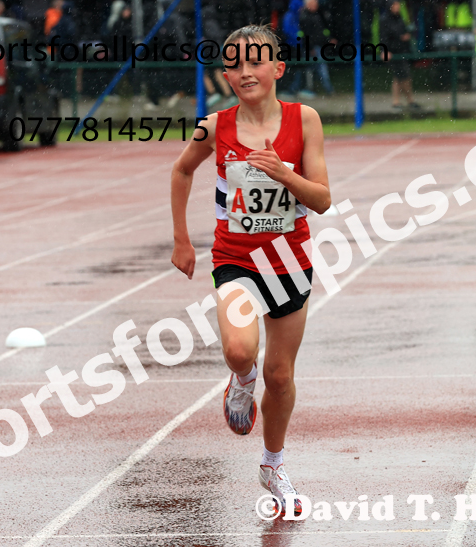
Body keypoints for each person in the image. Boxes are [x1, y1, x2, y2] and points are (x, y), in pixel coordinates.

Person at [169, 24, 331, 517]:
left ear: (278, 68)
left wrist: (285, 173)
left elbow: (322, 200)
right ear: (225, 75)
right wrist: (181, 237)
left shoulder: (304, 121)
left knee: (280, 376)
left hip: (289, 261)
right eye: (234, 64)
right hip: (234, 258)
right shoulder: (214, 126)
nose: (245, 71)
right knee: (241, 350)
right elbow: (181, 170)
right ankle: (240, 380)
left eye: (256, 61)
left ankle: (272, 465)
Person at [379, 0, 419, 111]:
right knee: (402, 77)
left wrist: (405, 36)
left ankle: (404, 101)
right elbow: (383, 37)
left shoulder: (400, 18)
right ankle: (403, 101)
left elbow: (403, 32)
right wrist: (384, 50)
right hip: (393, 53)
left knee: (402, 77)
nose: (398, 7)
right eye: (395, 5)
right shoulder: (385, 20)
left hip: (402, 51)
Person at [293, 0, 335, 98]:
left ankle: (301, 89)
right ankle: (328, 90)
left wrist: (328, 39)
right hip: (312, 47)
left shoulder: (317, 15)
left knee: (309, 69)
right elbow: (306, 34)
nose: (316, 5)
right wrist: (310, 47)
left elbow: (320, 32)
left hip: (317, 46)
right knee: (317, 69)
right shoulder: (305, 17)